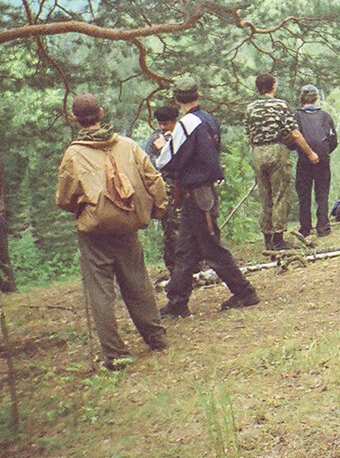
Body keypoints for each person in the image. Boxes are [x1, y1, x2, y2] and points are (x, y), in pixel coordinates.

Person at [56, 93, 169, 370]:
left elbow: (65, 198)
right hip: (128, 225)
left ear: (74, 119)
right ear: (101, 113)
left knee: (100, 291)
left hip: (94, 232)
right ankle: (155, 337)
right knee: (137, 281)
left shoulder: (73, 154)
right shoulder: (128, 146)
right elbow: (154, 180)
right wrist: (158, 210)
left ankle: (116, 353)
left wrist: (80, 208)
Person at [158, 77, 260, 316]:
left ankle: (245, 292)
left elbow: (167, 159)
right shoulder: (209, 120)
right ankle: (177, 301)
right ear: (198, 94)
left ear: (176, 98)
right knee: (186, 248)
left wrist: (163, 147)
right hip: (203, 190)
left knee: (211, 247)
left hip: (196, 192)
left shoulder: (186, 124)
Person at [244, 72, 319, 250]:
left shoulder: (251, 108)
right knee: (280, 194)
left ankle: (267, 238)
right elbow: (294, 133)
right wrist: (310, 153)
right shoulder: (280, 105)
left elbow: (249, 136)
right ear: (273, 86)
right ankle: (278, 238)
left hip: (257, 152)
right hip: (276, 150)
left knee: (265, 196)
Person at [293, 84, 338, 237]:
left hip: (304, 159)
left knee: (304, 193)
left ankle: (305, 228)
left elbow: (293, 139)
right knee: (322, 192)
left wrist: (303, 152)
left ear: (301, 98)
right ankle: (323, 226)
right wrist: (324, 152)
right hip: (323, 158)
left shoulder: (297, 116)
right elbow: (334, 140)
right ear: (317, 97)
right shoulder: (325, 116)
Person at [144, 105, 181, 277]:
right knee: (171, 229)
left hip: (185, 187)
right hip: (166, 190)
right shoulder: (153, 141)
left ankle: (196, 263)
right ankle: (174, 267)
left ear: (174, 121)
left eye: (166, 124)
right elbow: (150, 166)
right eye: (160, 124)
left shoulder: (182, 134)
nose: (163, 128)